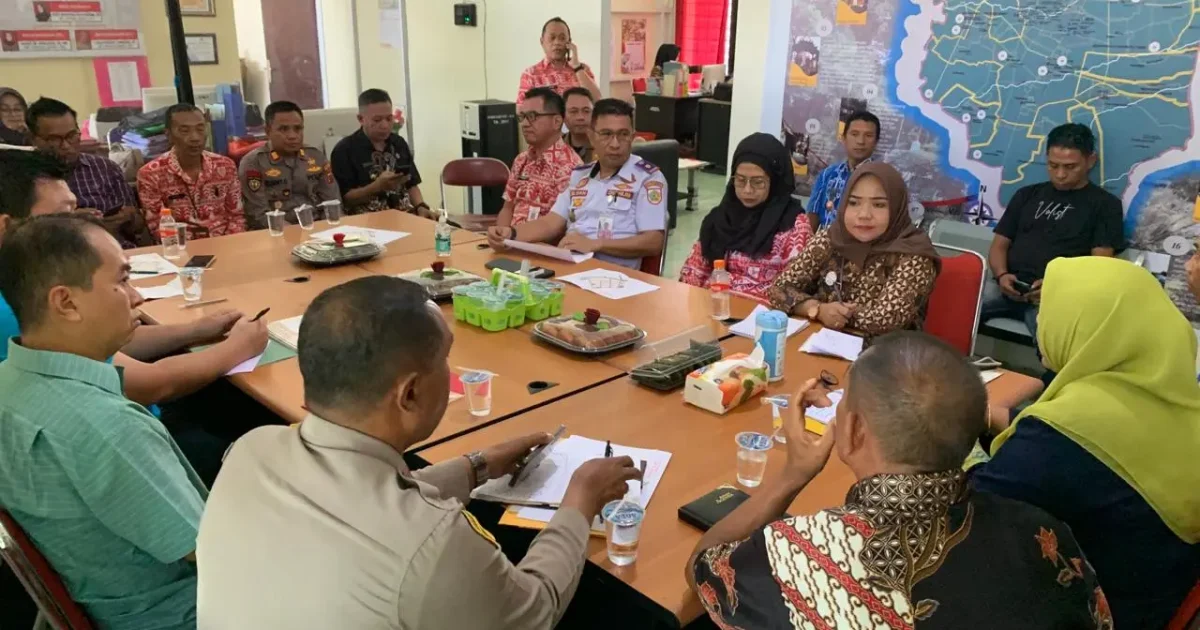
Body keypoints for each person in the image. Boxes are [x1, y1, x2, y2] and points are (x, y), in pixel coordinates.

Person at [197, 276, 641, 628]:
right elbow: (534, 611)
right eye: (444, 360)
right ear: (409, 393)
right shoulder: (433, 544)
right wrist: (580, 501)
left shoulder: (251, 449)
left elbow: (366, 501)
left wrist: (477, 466)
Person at [687, 332, 1111, 629]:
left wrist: (791, 476)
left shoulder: (799, 554)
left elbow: (703, 570)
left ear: (853, 430)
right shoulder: (1044, 532)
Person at [0, 148, 269, 482]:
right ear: (7, 226)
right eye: (61, 217)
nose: (78, 224)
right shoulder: (16, 307)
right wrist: (238, 348)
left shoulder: (31, 288)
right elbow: (151, 384)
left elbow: (116, 347)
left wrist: (196, 330)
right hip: (133, 438)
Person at [0, 214, 206, 629]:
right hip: (181, 612)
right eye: (123, 280)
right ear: (66, 303)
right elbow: (209, 551)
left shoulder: (10, 380)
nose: (137, 297)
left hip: (97, 593)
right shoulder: (104, 426)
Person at [973, 256, 1200, 629]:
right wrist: (1002, 418)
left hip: (1091, 614)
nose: (1041, 322)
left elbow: (971, 506)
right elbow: (1086, 455)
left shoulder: (1063, 435)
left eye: (1051, 311)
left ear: (1091, 327)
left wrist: (947, 432)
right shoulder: (1175, 402)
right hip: (1154, 599)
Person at [487, 99, 667, 270]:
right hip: (570, 267)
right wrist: (511, 234)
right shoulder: (580, 176)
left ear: (633, 137)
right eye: (606, 134)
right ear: (591, 136)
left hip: (615, 276)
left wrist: (597, 244)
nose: (615, 144)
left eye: (623, 134)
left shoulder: (648, 179)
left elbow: (653, 242)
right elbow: (550, 223)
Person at [982, 124, 1124, 341]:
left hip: (1057, 299)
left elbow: (1099, 266)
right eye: (1053, 165)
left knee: (1055, 346)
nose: (1060, 175)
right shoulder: (1026, 195)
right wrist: (1002, 275)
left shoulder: (1105, 205)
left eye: (1070, 167)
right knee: (954, 310)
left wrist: (1055, 288)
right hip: (1007, 287)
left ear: (1090, 161)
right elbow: (999, 246)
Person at [768, 162, 939, 338]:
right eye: (854, 202)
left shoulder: (915, 254)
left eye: (879, 205)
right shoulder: (832, 238)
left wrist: (833, 313)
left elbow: (886, 320)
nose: (864, 214)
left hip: (886, 351)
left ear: (897, 208)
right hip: (821, 342)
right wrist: (817, 309)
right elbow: (779, 288)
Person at [680, 133, 813, 302]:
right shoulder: (719, 218)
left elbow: (794, 294)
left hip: (762, 315)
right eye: (740, 180)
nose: (747, 190)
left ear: (775, 182)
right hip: (713, 309)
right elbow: (692, 276)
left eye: (758, 182)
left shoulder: (794, 227)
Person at [26, 97, 149, 247]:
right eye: (54, 139)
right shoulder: (23, 177)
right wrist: (70, 222)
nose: (66, 146)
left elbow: (138, 228)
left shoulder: (105, 168)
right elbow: (20, 238)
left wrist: (129, 217)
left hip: (118, 249)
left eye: (71, 136)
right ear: (32, 139)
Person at [138, 103, 244, 239]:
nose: (195, 137)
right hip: (180, 246)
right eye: (184, 131)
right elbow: (157, 226)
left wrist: (229, 244)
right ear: (169, 135)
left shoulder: (225, 166)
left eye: (200, 129)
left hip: (226, 243)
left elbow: (236, 216)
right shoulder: (150, 174)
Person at [806, 110, 924, 231]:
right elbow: (812, 213)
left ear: (876, 142)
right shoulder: (828, 174)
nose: (860, 141)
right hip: (825, 240)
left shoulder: (885, 178)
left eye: (868, 136)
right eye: (854, 134)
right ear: (844, 138)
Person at [238, 100, 340, 229]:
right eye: (283, 129)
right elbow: (258, 215)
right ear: (268, 131)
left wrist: (329, 230)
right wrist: (296, 234)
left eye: (298, 129)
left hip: (318, 227)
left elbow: (332, 202)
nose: (292, 136)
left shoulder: (316, 157)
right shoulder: (254, 162)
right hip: (275, 232)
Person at [330, 88, 430, 217]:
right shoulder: (344, 150)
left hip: (405, 215)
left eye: (389, 119)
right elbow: (346, 199)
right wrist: (376, 187)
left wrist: (420, 206)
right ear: (361, 119)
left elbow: (411, 184)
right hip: (367, 219)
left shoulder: (398, 143)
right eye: (377, 120)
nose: (385, 125)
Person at [496, 87, 582, 229]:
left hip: (540, 240)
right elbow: (507, 208)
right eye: (522, 117)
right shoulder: (521, 160)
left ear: (557, 121)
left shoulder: (571, 167)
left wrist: (513, 236)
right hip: (511, 238)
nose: (524, 124)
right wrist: (501, 235)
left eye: (532, 116)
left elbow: (560, 226)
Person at [517, 17, 601, 106]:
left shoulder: (583, 69)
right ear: (542, 42)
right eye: (552, 38)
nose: (557, 42)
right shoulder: (530, 74)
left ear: (569, 42)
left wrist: (577, 67)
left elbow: (597, 101)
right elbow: (521, 109)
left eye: (562, 38)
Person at [562, 87, 594, 163]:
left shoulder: (605, 146)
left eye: (586, 111)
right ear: (563, 116)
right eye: (573, 111)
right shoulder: (556, 147)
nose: (580, 117)